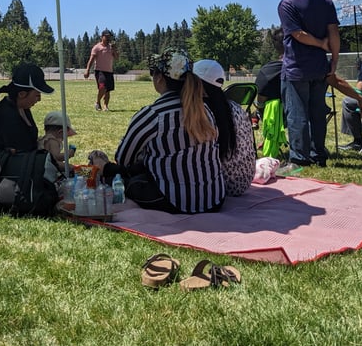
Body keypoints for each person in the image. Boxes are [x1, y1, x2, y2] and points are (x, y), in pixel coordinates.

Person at [114, 48, 232, 214]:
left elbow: (123, 159)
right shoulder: (205, 110)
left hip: (175, 202)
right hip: (214, 199)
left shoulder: (152, 114)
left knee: (130, 181)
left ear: (160, 78)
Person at [277, 0, 340, 167]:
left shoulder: (287, 3)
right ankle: (318, 155)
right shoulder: (325, 0)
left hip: (296, 68)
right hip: (319, 67)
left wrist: (320, 45)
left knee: (297, 114)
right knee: (317, 113)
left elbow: (297, 34)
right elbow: (334, 32)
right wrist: (334, 60)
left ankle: (299, 159)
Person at [0, 63, 54, 181]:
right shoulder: (7, 114)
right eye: (37, 95)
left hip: (20, 168)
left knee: (63, 173)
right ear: (22, 94)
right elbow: (19, 152)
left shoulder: (23, 108)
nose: (39, 99)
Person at [194, 59, 256, 197]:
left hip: (220, 184)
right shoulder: (233, 106)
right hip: (244, 180)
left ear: (197, 83)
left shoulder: (203, 112)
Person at [83, 29, 118, 111]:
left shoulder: (111, 47)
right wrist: (87, 70)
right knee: (102, 87)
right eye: (106, 36)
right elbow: (91, 60)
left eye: (109, 37)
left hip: (109, 71)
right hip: (100, 71)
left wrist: (114, 50)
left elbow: (116, 58)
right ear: (102, 37)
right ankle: (97, 102)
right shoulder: (97, 47)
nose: (108, 38)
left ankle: (105, 106)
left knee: (108, 90)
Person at [254, 27, 284, 120]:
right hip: (312, 112)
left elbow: (260, 101)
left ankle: (255, 115)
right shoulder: (315, 67)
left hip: (275, 115)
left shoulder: (268, 71)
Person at [37, 110, 77, 176]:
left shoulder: (44, 138)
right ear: (60, 132)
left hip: (42, 166)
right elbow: (56, 158)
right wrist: (69, 154)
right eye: (64, 136)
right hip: (47, 168)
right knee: (70, 167)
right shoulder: (53, 141)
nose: (64, 139)